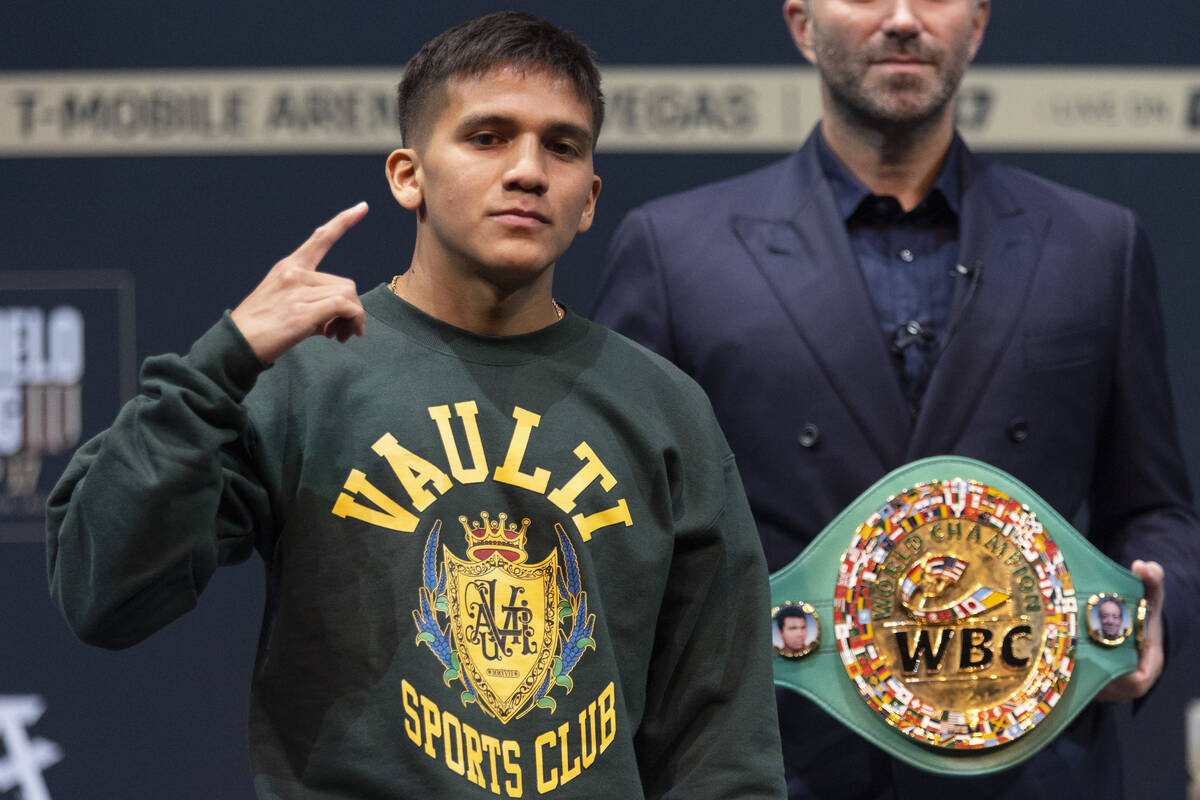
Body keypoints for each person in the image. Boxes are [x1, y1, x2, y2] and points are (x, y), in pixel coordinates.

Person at [45, 12, 786, 799]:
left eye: (561, 146)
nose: (529, 170)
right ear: (409, 174)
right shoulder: (304, 376)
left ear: (590, 196)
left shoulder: (664, 407)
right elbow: (104, 595)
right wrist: (220, 362)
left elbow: (721, 740)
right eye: (488, 137)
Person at [592, 1, 1200, 798]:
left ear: (978, 24)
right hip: (773, 767)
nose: (905, 19)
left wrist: (1152, 611)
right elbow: (615, 533)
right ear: (801, 23)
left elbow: (1156, 508)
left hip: (1028, 765)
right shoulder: (675, 250)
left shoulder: (1097, 245)